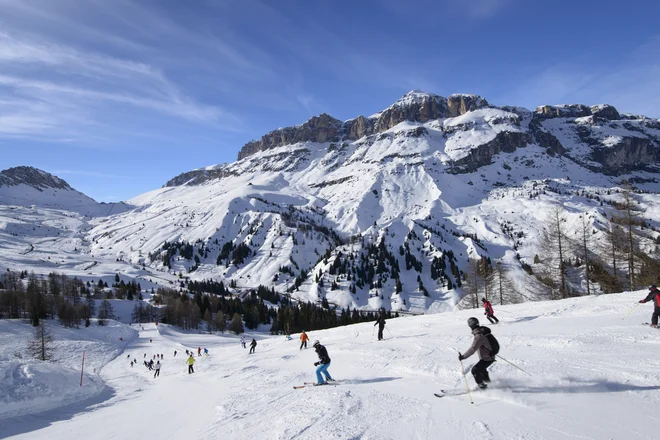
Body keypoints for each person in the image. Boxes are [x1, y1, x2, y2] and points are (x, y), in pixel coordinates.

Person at [457, 317, 495, 389]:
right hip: (488, 356)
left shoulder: (479, 335)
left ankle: (482, 386)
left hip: (487, 357)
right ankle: (489, 383)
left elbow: (473, 349)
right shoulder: (482, 331)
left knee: (475, 370)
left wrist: (463, 357)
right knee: (482, 370)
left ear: (471, 326)